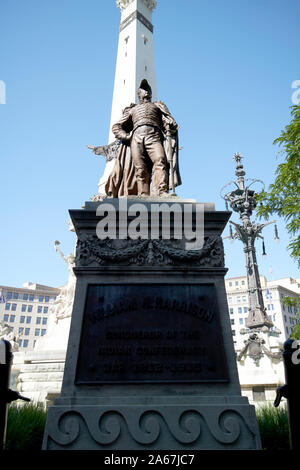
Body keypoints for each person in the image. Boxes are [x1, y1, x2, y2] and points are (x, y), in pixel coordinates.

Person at [104, 79, 181, 197]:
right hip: (136, 137)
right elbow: (116, 127)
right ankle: (143, 193)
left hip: (154, 136)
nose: (146, 91)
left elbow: (170, 123)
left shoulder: (158, 106)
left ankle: (162, 191)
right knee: (140, 167)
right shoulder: (132, 110)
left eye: (147, 89)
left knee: (160, 160)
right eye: (142, 90)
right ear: (138, 94)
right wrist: (127, 136)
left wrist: (169, 124)